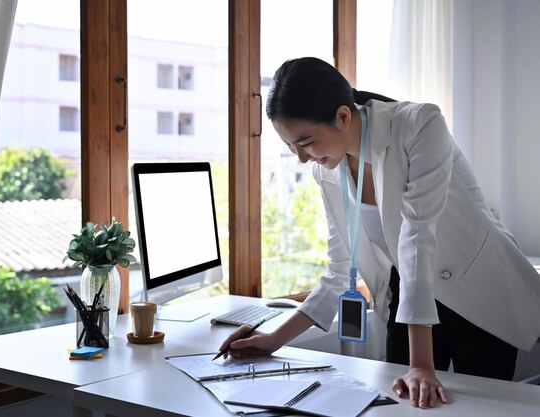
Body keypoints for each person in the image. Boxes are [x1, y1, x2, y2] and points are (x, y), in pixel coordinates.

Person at [217, 57, 540, 409]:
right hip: (407, 294)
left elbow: (417, 239)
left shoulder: (419, 125)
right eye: (291, 146)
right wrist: (274, 339)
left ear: (342, 116)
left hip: (477, 293)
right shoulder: (329, 170)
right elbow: (340, 268)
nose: (302, 158)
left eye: (306, 142)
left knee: (478, 410)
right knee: (398, 405)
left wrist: (420, 365)